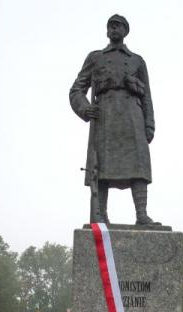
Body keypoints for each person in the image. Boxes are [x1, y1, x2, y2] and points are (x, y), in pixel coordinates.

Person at [70, 14, 159, 225]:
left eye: (118, 26)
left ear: (126, 30)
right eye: (110, 26)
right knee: (100, 167)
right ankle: (100, 215)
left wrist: (149, 123)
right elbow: (77, 89)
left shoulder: (137, 60)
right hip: (105, 117)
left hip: (132, 117)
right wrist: (85, 108)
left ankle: (141, 214)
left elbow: (147, 96)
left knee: (138, 164)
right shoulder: (95, 57)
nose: (113, 29)